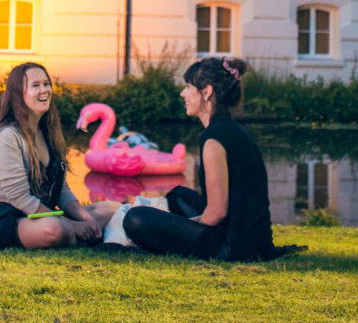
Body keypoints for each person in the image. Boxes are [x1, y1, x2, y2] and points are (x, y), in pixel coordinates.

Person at [123, 57, 299, 261]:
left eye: (188, 87)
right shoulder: (233, 130)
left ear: (206, 92)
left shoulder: (214, 138)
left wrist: (182, 226)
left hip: (233, 247)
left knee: (135, 219)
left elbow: (217, 212)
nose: (183, 94)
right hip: (251, 241)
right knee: (180, 196)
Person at [0, 62, 119, 249]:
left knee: (111, 210)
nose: (44, 90)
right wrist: (74, 225)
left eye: (46, 84)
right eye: (36, 85)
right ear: (18, 94)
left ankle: (88, 232)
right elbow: (20, 199)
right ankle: (85, 237)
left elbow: (61, 189)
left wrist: (85, 219)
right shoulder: (7, 136)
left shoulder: (48, 132)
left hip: (37, 215)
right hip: (6, 218)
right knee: (53, 229)